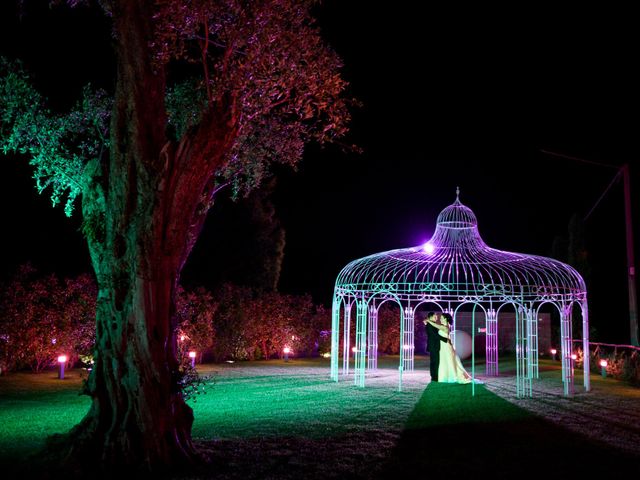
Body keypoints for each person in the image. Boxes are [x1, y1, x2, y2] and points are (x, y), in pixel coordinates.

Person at [426, 312, 477, 384]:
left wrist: (428, 321)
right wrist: (428, 323)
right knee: (444, 361)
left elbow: (435, 326)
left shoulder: (445, 326)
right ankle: (444, 375)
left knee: (448, 360)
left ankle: (451, 375)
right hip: (443, 346)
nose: (440, 318)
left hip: (446, 346)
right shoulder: (443, 325)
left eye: (441, 318)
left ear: (445, 319)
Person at [423, 311, 448, 382]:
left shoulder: (431, 324)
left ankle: (434, 376)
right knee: (435, 362)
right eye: (435, 316)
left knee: (434, 361)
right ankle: (434, 377)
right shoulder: (430, 324)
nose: (436, 317)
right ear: (430, 317)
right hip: (433, 346)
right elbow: (435, 335)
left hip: (434, 346)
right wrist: (445, 339)